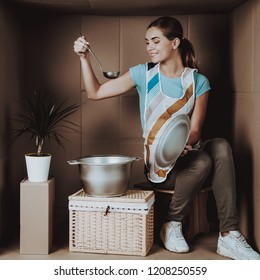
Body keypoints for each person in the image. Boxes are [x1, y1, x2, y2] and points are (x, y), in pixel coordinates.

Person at [73, 16, 260, 260]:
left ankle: (229, 235)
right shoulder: (143, 74)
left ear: (175, 43)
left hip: (187, 152)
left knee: (221, 146)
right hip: (160, 165)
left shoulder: (198, 81)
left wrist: (185, 144)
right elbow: (95, 92)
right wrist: (84, 58)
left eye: (155, 40)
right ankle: (172, 224)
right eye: (147, 42)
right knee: (203, 161)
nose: (149, 46)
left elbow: (195, 130)